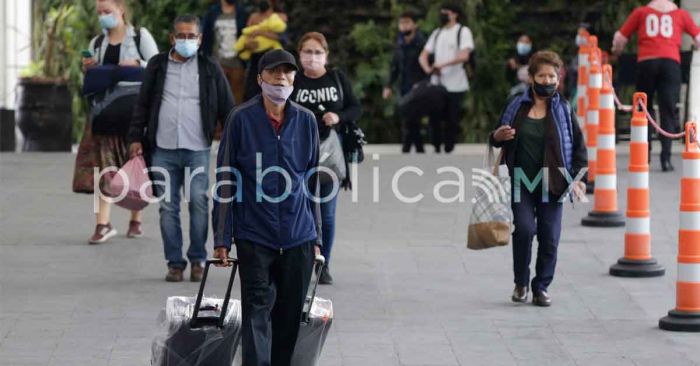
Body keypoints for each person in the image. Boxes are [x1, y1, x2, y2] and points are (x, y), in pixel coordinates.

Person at [212, 49, 322, 366]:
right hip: (254, 234)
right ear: (261, 78)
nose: (281, 79)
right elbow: (225, 179)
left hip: (298, 235)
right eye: (274, 73)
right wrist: (222, 237)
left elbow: (311, 182)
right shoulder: (241, 119)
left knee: (288, 321)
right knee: (256, 314)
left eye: (287, 74)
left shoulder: (305, 121)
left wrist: (317, 237)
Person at [127, 14, 234, 282]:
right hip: (162, 147)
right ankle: (175, 263)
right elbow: (142, 103)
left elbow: (227, 106)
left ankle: (197, 258)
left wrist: (235, 142)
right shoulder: (157, 65)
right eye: (182, 36)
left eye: (192, 36)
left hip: (197, 147)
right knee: (167, 206)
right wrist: (135, 138)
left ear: (200, 39)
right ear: (172, 38)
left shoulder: (210, 67)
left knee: (199, 201)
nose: (187, 40)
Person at [489, 51, 588, 307]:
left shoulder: (563, 108)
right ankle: (521, 282)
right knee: (524, 229)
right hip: (521, 181)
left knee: (550, 236)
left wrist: (578, 178)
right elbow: (496, 137)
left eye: (552, 76)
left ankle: (541, 287)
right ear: (531, 78)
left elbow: (578, 146)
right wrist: (497, 136)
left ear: (559, 78)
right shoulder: (516, 105)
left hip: (553, 183)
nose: (547, 80)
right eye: (542, 75)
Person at [73, 0, 158, 244]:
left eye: (107, 11)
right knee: (104, 166)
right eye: (99, 12)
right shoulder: (97, 42)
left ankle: (136, 220)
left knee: (133, 162)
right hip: (104, 111)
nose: (103, 16)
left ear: (121, 9)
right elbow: (92, 79)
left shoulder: (140, 37)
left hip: (133, 111)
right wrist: (89, 68)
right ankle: (103, 224)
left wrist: (138, 64)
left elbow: (157, 66)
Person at [291, 32, 362, 284]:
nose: (313, 57)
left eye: (318, 53)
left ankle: (324, 264)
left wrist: (338, 116)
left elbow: (355, 107)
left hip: (331, 151)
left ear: (326, 55)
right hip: (298, 150)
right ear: (299, 54)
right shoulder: (293, 80)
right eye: (308, 52)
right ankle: (302, 259)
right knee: (302, 208)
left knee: (327, 211)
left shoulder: (337, 79)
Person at [612, 0, 700, 172]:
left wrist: (617, 52)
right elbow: (698, 37)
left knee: (645, 108)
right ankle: (666, 160)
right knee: (668, 110)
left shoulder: (641, 12)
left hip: (647, 63)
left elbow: (620, 38)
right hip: (671, 64)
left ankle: (644, 155)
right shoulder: (681, 14)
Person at [418, 2, 474, 153]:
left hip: (456, 84)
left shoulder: (462, 31)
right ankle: (436, 146)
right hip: (437, 83)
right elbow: (423, 55)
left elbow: (464, 55)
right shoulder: (437, 33)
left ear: (455, 14)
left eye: (446, 12)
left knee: (452, 118)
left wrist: (441, 65)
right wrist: (429, 69)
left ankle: (449, 148)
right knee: (434, 116)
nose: (443, 15)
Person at [383, 10, 428, 153]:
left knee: (412, 117)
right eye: (401, 23)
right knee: (408, 117)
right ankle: (418, 148)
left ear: (415, 25)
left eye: (407, 22)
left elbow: (429, 65)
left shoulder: (423, 44)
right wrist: (388, 85)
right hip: (404, 86)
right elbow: (394, 67)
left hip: (419, 86)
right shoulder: (399, 44)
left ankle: (407, 148)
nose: (404, 26)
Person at [201, 0, 249, 105]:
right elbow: (205, 38)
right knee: (215, 100)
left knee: (236, 101)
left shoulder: (243, 13)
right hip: (216, 64)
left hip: (238, 65)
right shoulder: (211, 13)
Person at [242, 0, 289, 102]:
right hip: (255, 60)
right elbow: (245, 36)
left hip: (273, 59)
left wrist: (261, 32)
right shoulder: (253, 17)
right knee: (252, 91)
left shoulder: (279, 17)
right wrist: (248, 44)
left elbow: (283, 38)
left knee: (272, 91)